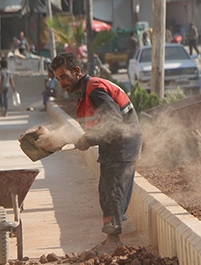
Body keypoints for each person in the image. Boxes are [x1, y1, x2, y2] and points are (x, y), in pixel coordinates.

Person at [50, 52, 142, 251]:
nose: (61, 82)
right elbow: (96, 125)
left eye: (64, 76)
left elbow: (114, 122)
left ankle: (115, 241)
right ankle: (111, 239)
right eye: (58, 79)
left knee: (113, 190)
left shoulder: (95, 90)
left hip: (123, 145)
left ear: (77, 71)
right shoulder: (86, 94)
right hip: (113, 146)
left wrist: (89, 139)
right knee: (106, 191)